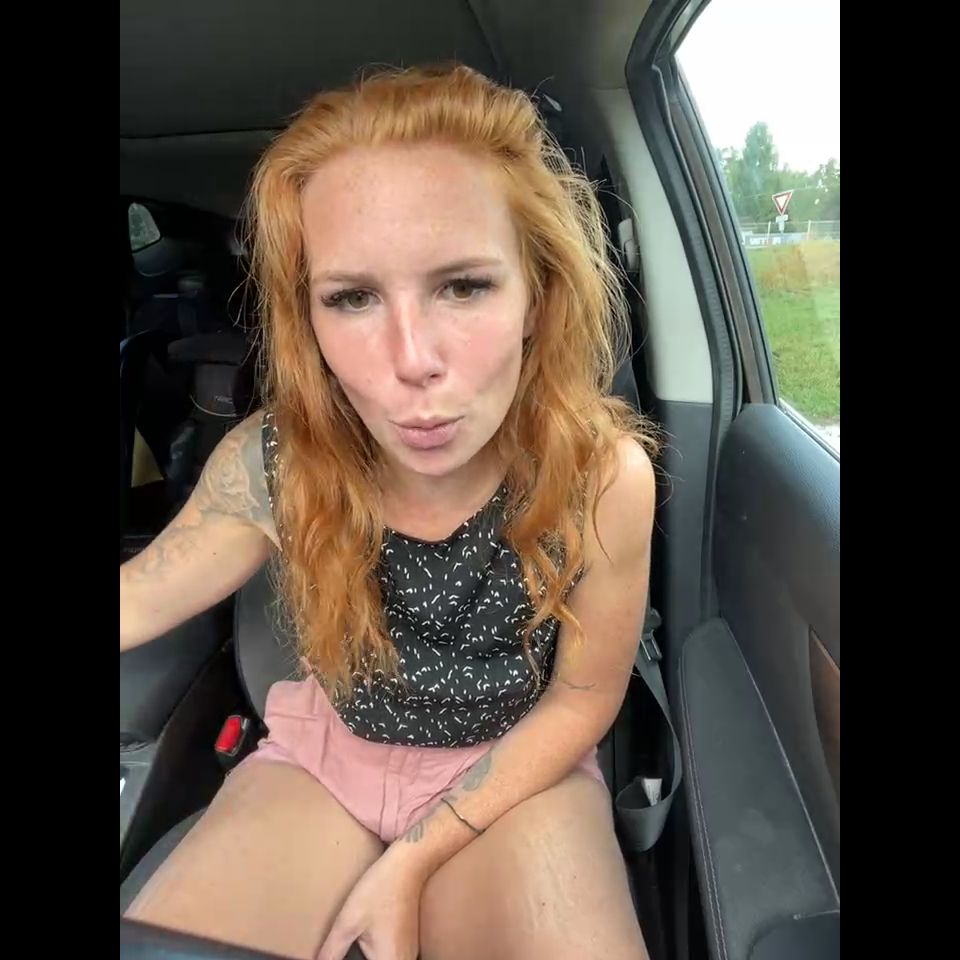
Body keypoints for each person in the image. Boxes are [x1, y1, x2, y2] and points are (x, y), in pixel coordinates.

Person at [120, 63, 657, 960]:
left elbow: (580, 701)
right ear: (309, 320)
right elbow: (137, 598)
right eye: (353, 298)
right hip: (326, 759)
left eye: (464, 286)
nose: (412, 361)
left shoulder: (601, 476)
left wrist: (412, 859)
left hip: (513, 774)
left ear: (537, 294)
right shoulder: (275, 460)